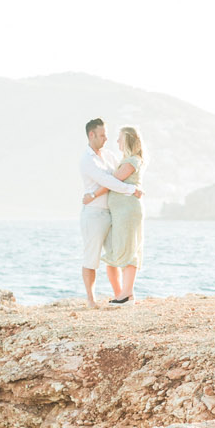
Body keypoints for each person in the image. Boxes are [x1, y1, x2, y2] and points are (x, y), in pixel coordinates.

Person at [79, 117, 141, 308]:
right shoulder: (87, 160)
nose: (106, 139)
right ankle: (90, 299)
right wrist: (132, 190)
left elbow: (120, 175)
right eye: (103, 135)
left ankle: (120, 295)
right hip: (95, 213)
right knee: (91, 257)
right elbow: (109, 181)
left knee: (114, 254)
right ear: (92, 135)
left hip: (113, 213)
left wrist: (95, 193)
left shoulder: (109, 156)